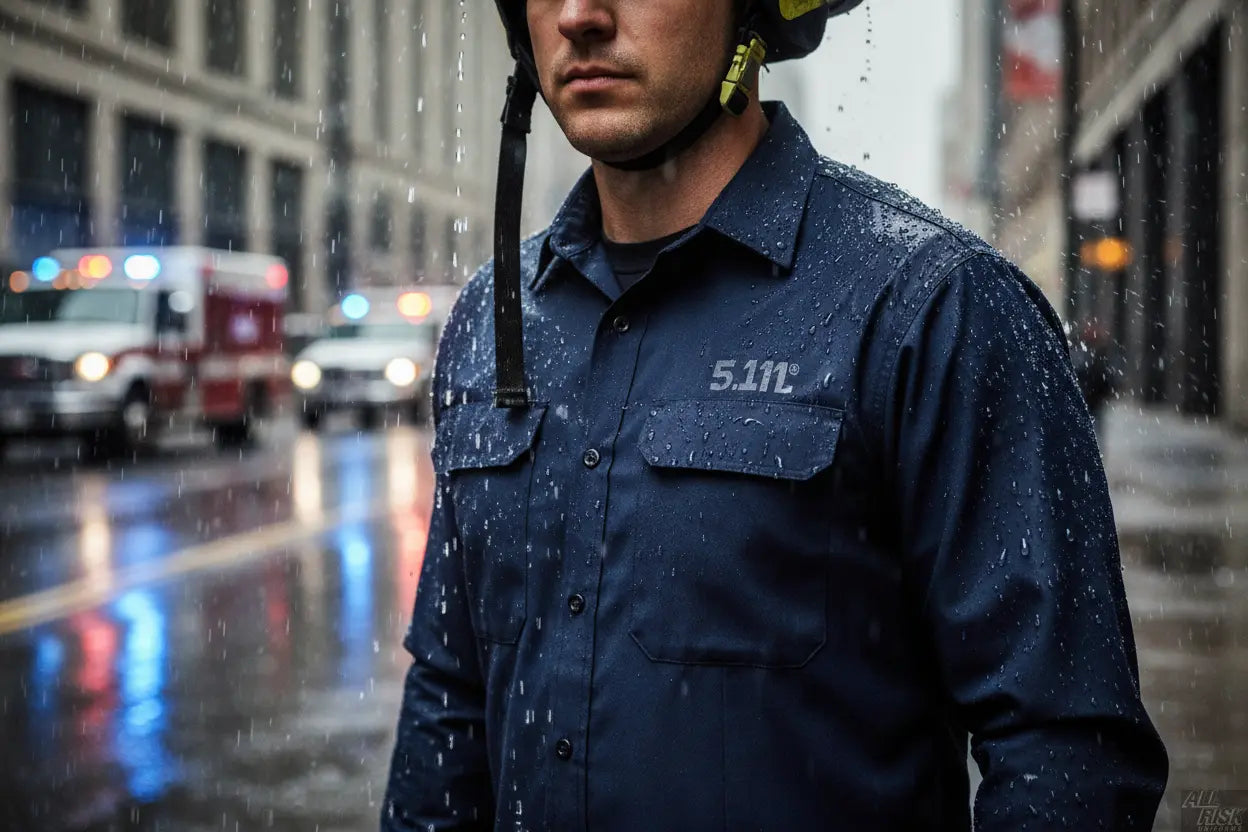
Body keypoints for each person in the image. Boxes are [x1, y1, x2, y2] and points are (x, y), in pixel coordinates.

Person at [382, 1, 1169, 829]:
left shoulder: (938, 310)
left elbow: (1067, 753)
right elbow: (450, 693)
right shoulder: (491, 319)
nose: (580, 15)